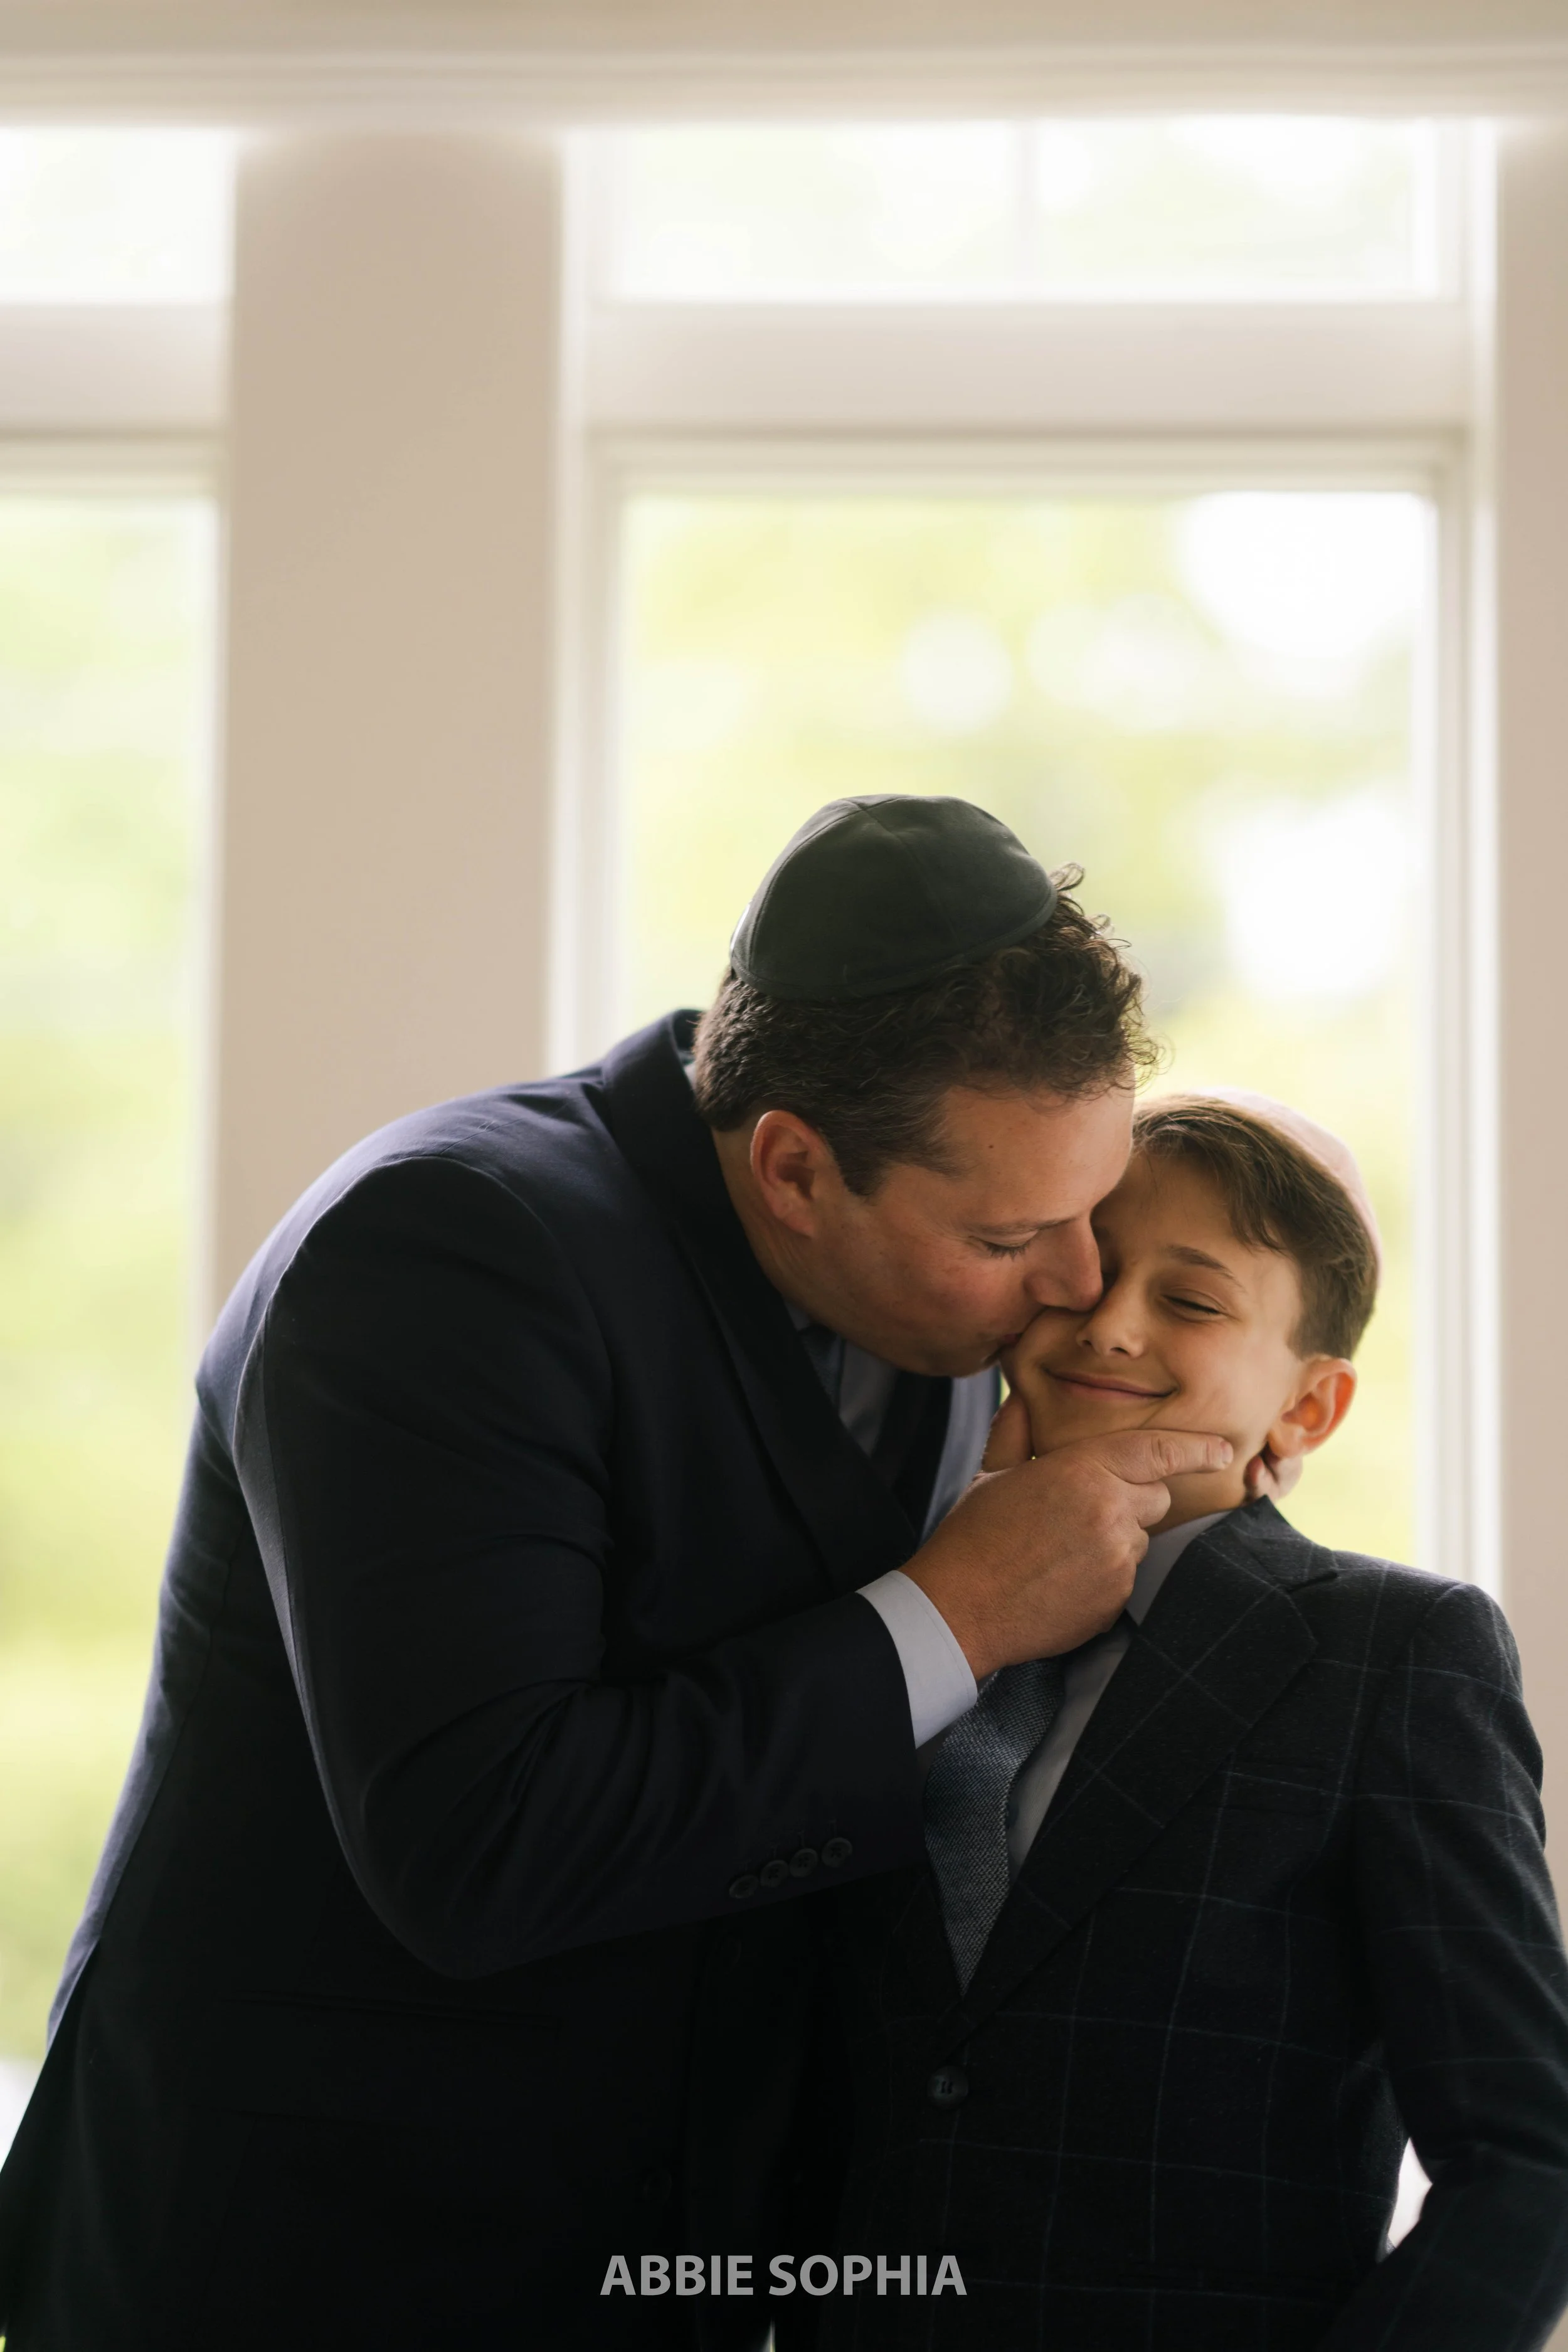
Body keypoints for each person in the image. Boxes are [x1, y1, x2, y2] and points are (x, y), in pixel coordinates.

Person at [0, 798, 1233, 2351]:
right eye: (1009, 1237)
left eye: (1089, 1211)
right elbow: (484, 1844)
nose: (1075, 1282)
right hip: (305, 2256)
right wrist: (961, 1611)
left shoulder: (950, 1309)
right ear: (793, 1168)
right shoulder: (441, 1248)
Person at [815, 1091, 1568, 2351]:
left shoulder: (1391, 1653)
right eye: (1087, 1272)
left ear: (1308, 1409)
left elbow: (1529, 2161)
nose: (1109, 1322)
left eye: (1191, 1300)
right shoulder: (889, 1615)